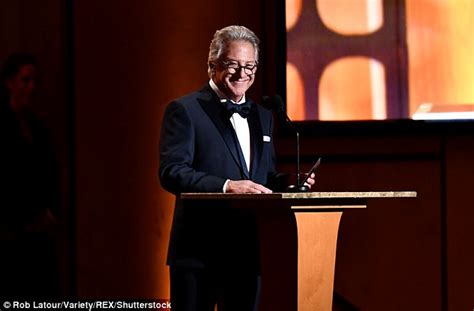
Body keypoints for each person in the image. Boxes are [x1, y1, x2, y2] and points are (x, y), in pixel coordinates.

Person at [159, 25, 314, 311]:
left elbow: (261, 177)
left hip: (245, 253)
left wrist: (288, 182)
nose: (242, 74)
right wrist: (226, 185)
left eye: (249, 66)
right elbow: (172, 172)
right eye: (232, 65)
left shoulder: (263, 116)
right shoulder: (185, 111)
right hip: (198, 252)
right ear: (212, 65)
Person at [0, 53, 60, 298]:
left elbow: (49, 173)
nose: (31, 87)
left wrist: (50, 210)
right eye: (25, 80)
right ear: (10, 82)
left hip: (37, 231)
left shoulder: (37, 126)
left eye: (35, 81)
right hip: (9, 231)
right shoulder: (3, 124)